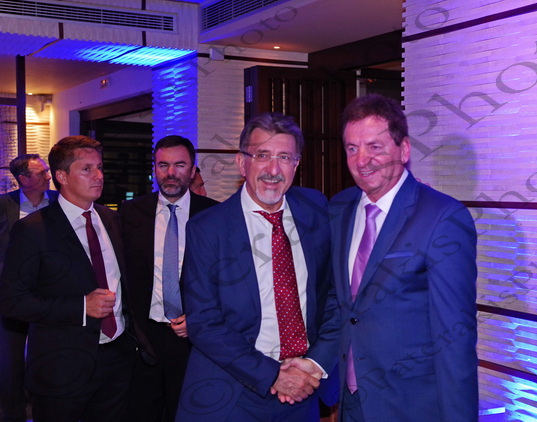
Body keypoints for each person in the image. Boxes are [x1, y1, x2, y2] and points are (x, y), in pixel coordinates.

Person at [176, 112, 339, 422]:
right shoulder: (207, 228)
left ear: (296, 165)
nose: (273, 170)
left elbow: (335, 296)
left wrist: (316, 363)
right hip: (231, 392)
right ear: (242, 163)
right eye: (262, 155)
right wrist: (272, 375)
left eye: (284, 157)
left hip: (303, 387)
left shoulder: (316, 209)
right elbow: (204, 322)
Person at [328, 94, 478, 421]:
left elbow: (454, 335)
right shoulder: (339, 208)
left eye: (375, 147)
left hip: (411, 406)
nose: (362, 160)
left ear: (404, 150)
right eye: (352, 148)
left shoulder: (442, 217)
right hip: (350, 402)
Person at [0, 136, 143, 422]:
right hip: (60, 366)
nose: (99, 176)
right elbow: (12, 301)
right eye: (87, 169)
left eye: (100, 167)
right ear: (62, 176)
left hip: (117, 360)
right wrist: (81, 306)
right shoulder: (32, 229)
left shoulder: (112, 219)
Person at [119, 136, 218, 422]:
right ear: (154, 169)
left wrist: (198, 319)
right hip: (143, 337)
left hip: (194, 338)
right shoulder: (130, 212)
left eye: (179, 165)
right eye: (163, 165)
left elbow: (225, 281)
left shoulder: (214, 213)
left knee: (188, 413)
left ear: (193, 170)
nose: (171, 173)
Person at [0, 154, 58, 422]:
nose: (49, 176)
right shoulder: (4, 205)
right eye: (42, 172)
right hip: (12, 295)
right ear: (23, 179)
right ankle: (13, 414)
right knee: (10, 363)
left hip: (51, 295)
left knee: (48, 358)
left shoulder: (59, 202)